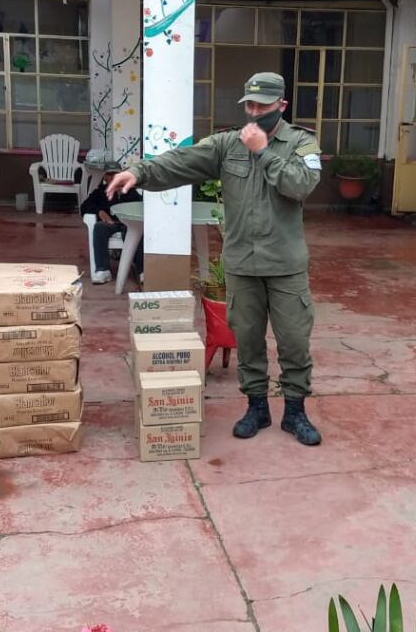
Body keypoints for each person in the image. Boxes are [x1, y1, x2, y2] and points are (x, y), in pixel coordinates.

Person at [106, 71, 324, 445]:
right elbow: (181, 162)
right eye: (249, 105)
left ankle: (295, 412)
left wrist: (263, 151)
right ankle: (256, 407)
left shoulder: (301, 143)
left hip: (286, 265)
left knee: (294, 342)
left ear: (281, 106)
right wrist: (138, 172)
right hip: (242, 263)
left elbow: (301, 185)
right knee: (248, 340)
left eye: (263, 106)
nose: (254, 113)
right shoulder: (227, 144)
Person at [81, 170, 143, 284]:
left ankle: (141, 270)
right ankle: (103, 270)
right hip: (109, 223)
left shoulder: (130, 191)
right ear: (105, 177)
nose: (112, 177)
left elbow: (141, 205)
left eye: (115, 174)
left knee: (136, 230)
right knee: (99, 227)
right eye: (109, 175)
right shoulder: (99, 192)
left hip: (127, 224)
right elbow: (85, 206)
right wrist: (99, 212)